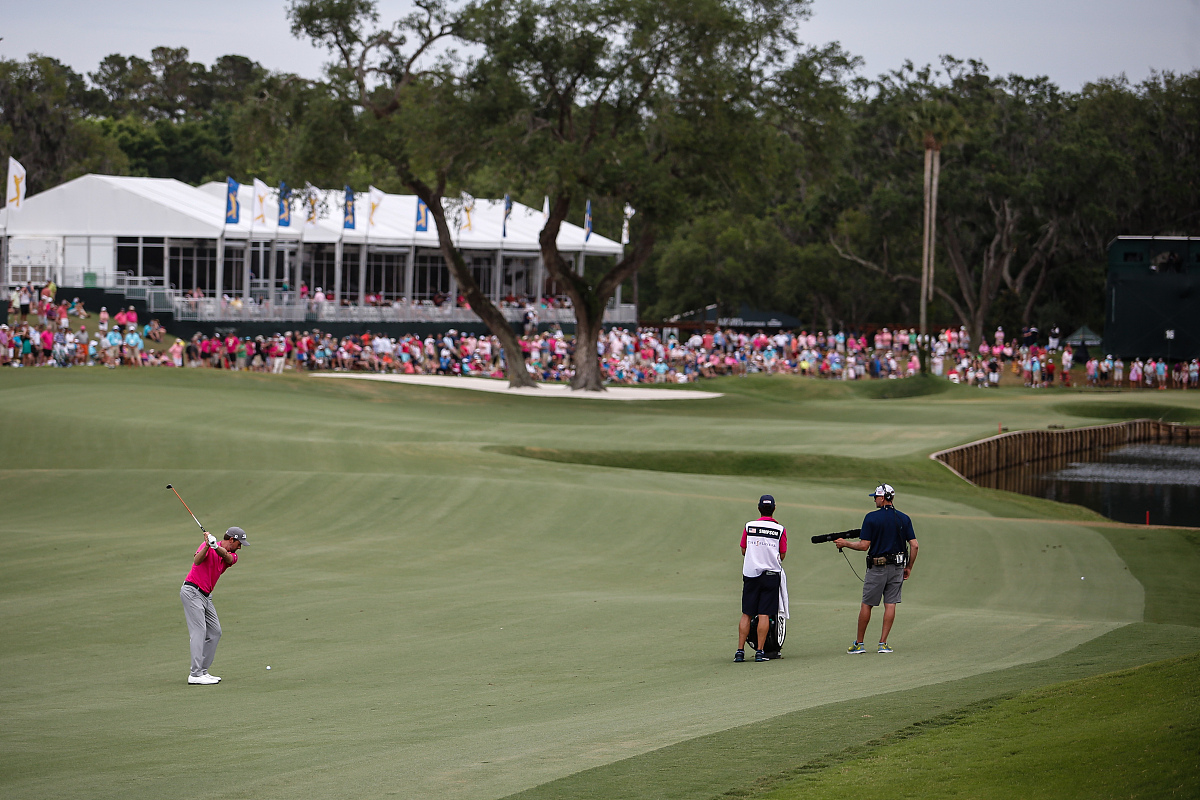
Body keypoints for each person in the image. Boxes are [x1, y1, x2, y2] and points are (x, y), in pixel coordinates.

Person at [835, 484, 918, 654]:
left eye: (876, 497)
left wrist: (845, 544)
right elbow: (914, 545)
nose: (874, 499)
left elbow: (864, 545)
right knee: (891, 604)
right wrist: (909, 566)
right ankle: (883, 643)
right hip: (897, 567)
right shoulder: (904, 518)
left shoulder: (871, 518)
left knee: (867, 604)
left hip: (877, 567)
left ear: (883, 498)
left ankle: (859, 643)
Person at [181, 526, 249, 684]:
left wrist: (215, 546)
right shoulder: (207, 545)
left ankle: (203, 671)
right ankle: (195, 674)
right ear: (231, 539)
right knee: (199, 631)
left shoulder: (232, 556)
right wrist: (206, 546)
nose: (240, 547)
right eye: (239, 543)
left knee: (215, 632)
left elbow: (228, 558)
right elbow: (197, 561)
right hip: (192, 591)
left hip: (206, 596)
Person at [735, 494, 787, 663]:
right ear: (774, 509)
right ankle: (759, 652)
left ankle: (740, 652)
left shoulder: (749, 526)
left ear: (759, 508)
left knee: (747, 614)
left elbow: (743, 549)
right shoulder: (780, 529)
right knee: (764, 614)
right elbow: (783, 554)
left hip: (751, 574)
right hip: (771, 575)